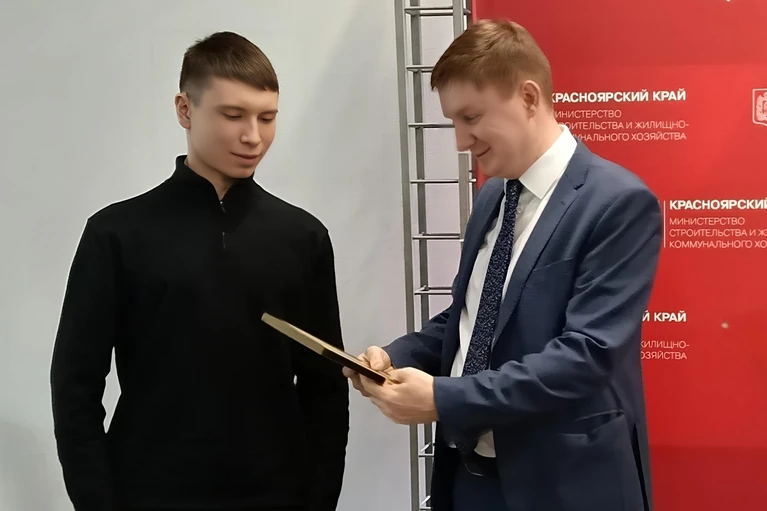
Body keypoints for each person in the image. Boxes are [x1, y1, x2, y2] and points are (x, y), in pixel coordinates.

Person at [345, 19, 661, 511]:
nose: (460, 141)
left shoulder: (618, 203)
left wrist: (444, 399)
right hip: (470, 478)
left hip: (564, 485)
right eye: (453, 121)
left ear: (529, 97)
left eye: (471, 117)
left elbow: (586, 355)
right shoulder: (493, 196)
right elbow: (473, 317)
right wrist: (396, 356)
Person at [50, 31, 349, 511]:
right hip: (147, 494)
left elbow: (325, 388)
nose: (253, 137)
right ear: (185, 109)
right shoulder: (117, 234)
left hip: (276, 494)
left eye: (267, 117)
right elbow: (75, 386)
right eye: (233, 115)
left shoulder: (302, 237)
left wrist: (318, 500)